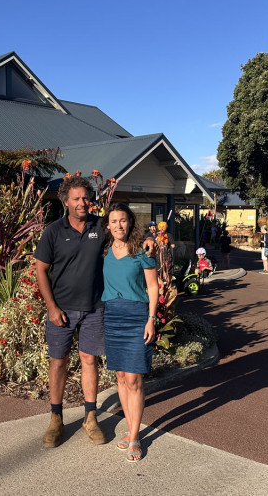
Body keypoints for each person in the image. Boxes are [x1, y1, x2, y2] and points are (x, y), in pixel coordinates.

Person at [34, 176, 155, 449]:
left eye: (85, 198)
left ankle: (91, 417)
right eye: (76, 199)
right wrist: (51, 307)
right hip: (61, 309)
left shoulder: (99, 225)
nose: (81, 203)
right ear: (65, 201)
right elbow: (41, 270)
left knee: (90, 360)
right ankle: (56, 418)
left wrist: (149, 238)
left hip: (95, 308)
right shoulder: (53, 231)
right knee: (58, 362)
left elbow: (126, 227)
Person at [101, 203, 158, 462]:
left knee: (134, 379)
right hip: (112, 316)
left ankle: (134, 436)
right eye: (114, 221)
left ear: (130, 222)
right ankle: (129, 428)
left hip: (137, 317)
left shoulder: (142, 251)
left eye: (123, 220)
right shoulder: (104, 251)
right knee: (122, 377)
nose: (118, 226)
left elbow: (153, 286)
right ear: (108, 225)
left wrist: (151, 319)